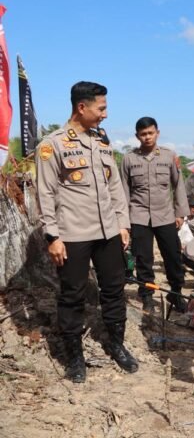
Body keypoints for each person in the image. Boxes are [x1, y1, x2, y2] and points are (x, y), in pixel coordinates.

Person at [35, 81, 139, 383]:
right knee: (72, 296)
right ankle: (74, 357)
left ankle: (116, 345)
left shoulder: (102, 141)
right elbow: (45, 193)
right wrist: (52, 236)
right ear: (82, 107)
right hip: (73, 234)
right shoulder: (52, 145)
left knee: (114, 290)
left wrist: (122, 223)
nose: (105, 114)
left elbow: (115, 186)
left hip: (108, 232)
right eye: (101, 108)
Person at [121, 117, 189, 313]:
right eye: (143, 134)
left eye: (150, 133)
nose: (147, 137)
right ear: (137, 136)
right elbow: (124, 191)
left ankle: (176, 293)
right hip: (139, 216)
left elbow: (179, 185)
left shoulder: (169, 156)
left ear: (157, 133)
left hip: (165, 215)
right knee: (143, 259)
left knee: (173, 256)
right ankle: (147, 296)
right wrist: (124, 220)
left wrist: (180, 213)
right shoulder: (129, 159)